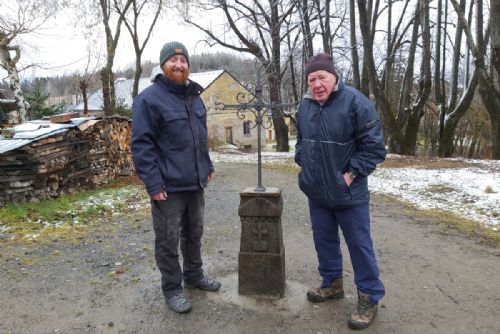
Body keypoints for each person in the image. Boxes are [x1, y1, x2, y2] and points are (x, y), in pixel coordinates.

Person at [295, 53, 386, 330]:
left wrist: (350, 175)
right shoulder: (306, 106)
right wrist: (304, 165)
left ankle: (369, 297)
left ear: (334, 77)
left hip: (349, 195)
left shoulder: (357, 103)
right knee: (324, 242)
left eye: (322, 76)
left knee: (359, 246)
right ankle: (332, 283)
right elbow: (301, 141)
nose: (317, 84)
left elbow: (374, 149)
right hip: (317, 193)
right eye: (311, 79)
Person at [131, 41, 220, 314]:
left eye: (183, 61)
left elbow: (198, 138)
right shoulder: (148, 99)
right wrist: (153, 183)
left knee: (194, 233)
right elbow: (142, 145)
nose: (179, 65)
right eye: (173, 60)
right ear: (163, 65)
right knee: (167, 240)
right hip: (167, 187)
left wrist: (206, 165)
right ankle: (172, 288)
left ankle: (194, 275)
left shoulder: (194, 97)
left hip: (195, 182)